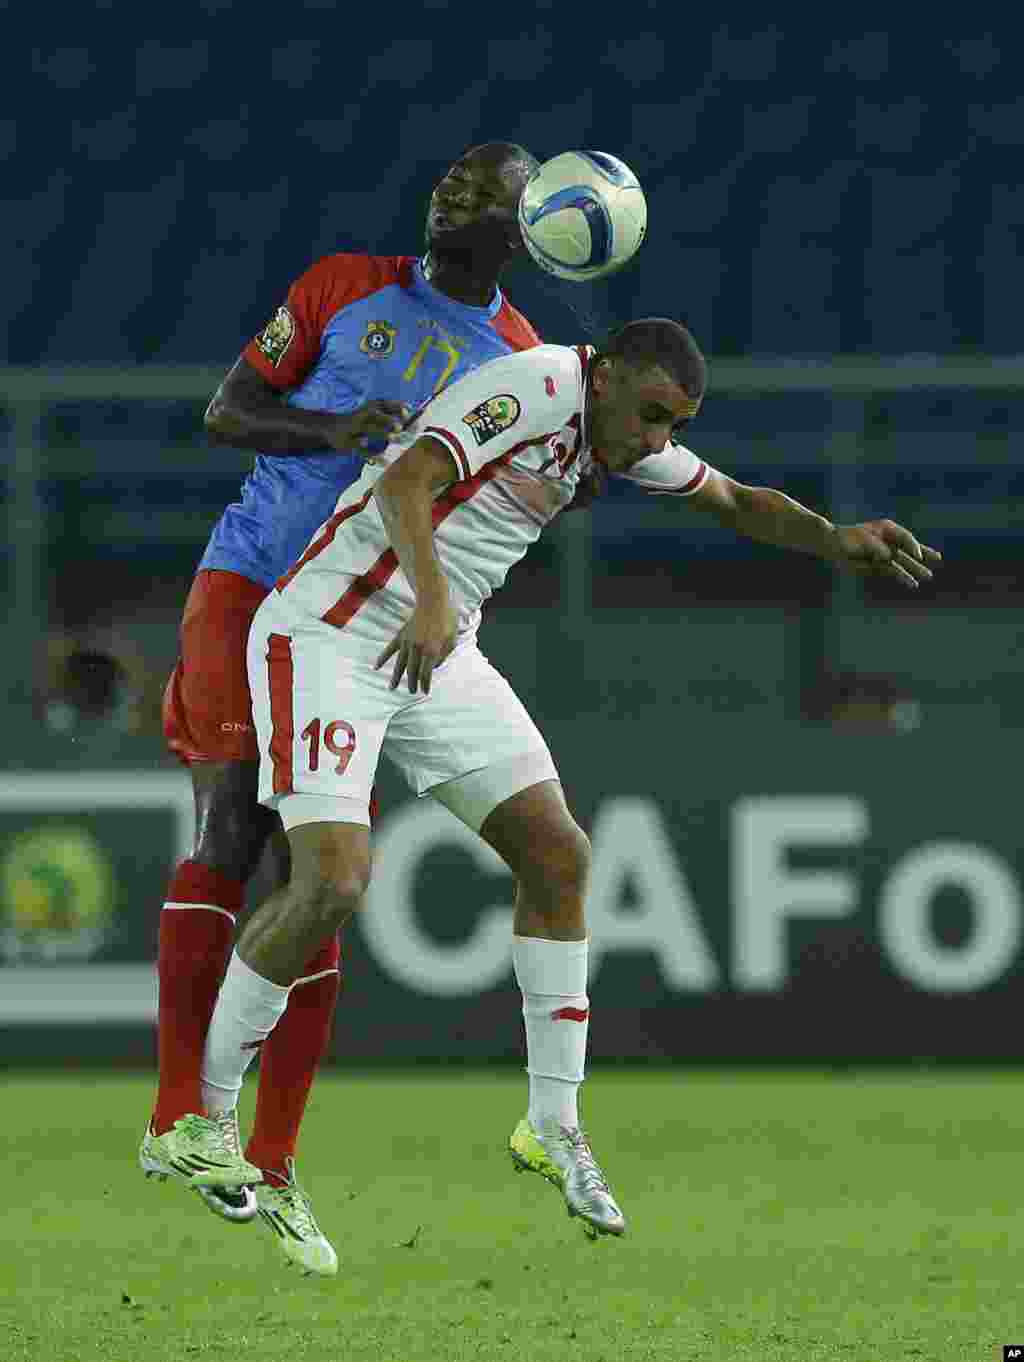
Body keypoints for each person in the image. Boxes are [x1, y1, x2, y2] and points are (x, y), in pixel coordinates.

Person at [156, 317, 941, 1265]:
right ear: (603, 376)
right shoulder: (534, 388)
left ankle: (553, 1125)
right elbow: (409, 479)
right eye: (652, 415)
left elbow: (733, 497)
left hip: (436, 659)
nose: (658, 440)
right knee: (332, 882)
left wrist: (835, 539)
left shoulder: (613, 433)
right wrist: (439, 599)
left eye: (675, 423)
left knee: (559, 855)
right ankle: (202, 1117)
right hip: (329, 636)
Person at [140, 141, 546, 1271]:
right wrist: (329, 432)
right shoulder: (339, 286)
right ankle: (179, 1116)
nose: (450, 204)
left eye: (482, 198)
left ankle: (270, 1162)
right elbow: (227, 410)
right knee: (227, 828)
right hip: (253, 574)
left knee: (315, 883)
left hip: (349, 631)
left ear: (524, 234)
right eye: (447, 187)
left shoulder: (513, 357)